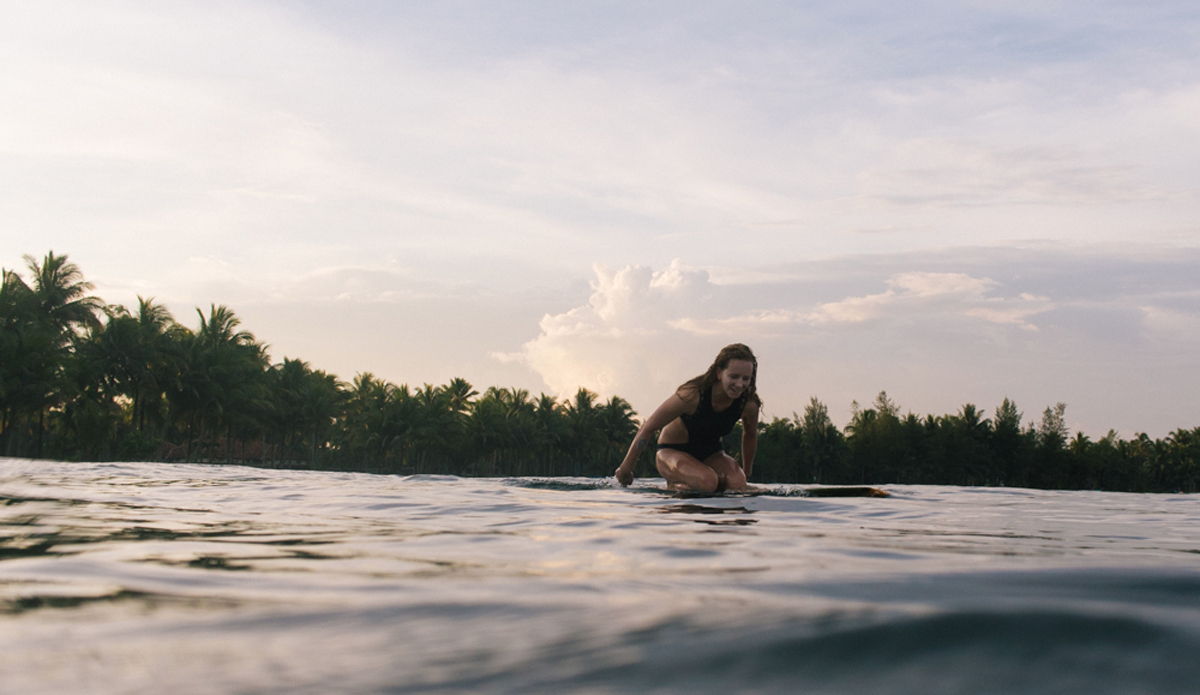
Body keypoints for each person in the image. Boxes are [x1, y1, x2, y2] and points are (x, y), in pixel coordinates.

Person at [614, 343, 761, 492]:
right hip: (672, 452)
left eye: (746, 378)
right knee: (707, 482)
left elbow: (750, 435)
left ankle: (696, 485)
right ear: (719, 373)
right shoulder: (691, 396)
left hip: (712, 453)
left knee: (737, 483)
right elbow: (648, 428)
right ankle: (673, 487)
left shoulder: (748, 404)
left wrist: (746, 474)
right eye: (734, 377)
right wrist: (625, 469)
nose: (739, 384)